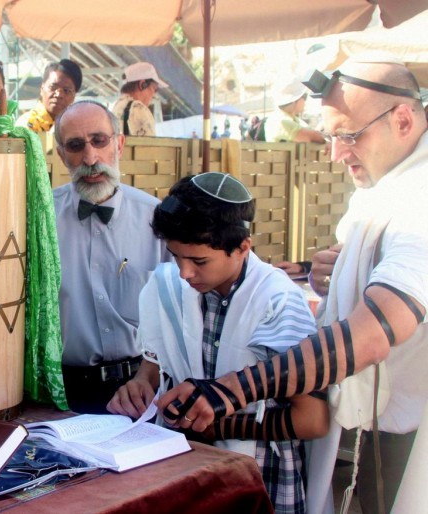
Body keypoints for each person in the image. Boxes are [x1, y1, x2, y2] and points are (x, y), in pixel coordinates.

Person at [156, 57, 428, 514]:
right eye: (330, 137)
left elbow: (376, 331)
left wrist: (230, 392)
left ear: (402, 119)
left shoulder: (419, 200)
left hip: (401, 437)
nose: (336, 154)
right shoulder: (389, 187)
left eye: (348, 135)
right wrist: (337, 272)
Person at [108, 172, 328, 514]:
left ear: (242, 247)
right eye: (175, 256)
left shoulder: (278, 301)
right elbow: (152, 371)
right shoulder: (164, 287)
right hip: (185, 472)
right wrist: (138, 385)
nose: (183, 273)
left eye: (198, 261)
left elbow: (312, 419)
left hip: (257, 477)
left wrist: (219, 426)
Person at [53, 100, 172, 414]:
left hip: (142, 390)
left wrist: (150, 376)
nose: (90, 158)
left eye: (99, 141)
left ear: (119, 143)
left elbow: (179, 313)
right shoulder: (40, 221)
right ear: (61, 154)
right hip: (63, 393)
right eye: (76, 146)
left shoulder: (157, 220)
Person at [15, 59, 82, 133]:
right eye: (53, 87)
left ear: (74, 95)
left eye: (66, 90)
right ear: (42, 88)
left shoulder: (76, 127)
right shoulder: (26, 125)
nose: (59, 94)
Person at [111, 62, 168, 137]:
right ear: (142, 84)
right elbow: (150, 146)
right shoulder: (138, 108)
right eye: (154, 89)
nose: (154, 95)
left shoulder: (117, 106)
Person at [264, 78, 325, 143]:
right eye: (304, 96)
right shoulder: (280, 121)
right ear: (294, 101)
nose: (305, 101)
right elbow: (316, 137)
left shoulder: (293, 119)